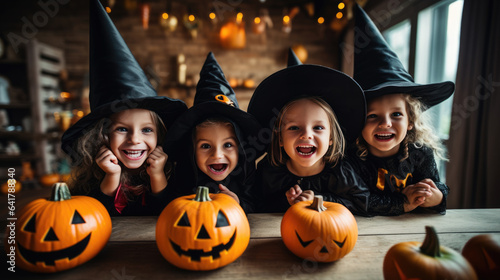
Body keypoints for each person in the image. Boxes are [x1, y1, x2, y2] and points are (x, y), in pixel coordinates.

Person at [60, 0, 187, 216]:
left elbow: (171, 216)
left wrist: (157, 175)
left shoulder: (172, 170)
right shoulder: (91, 176)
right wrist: (111, 176)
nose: (135, 140)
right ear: (102, 134)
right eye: (122, 129)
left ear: (160, 135)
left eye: (147, 130)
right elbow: (91, 219)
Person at [347, 4, 455, 215]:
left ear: (411, 119)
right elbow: (359, 201)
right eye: (372, 116)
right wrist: (403, 202)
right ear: (359, 120)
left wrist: (435, 196)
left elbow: (438, 186)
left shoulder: (420, 153)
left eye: (396, 114)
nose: (385, 123)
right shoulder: (353, 157)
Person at [247, 49, 370, 215]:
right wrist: (286, 201)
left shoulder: (340, 171)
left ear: (331, 137)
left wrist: (320, 200)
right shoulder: (269, 170)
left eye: (318, 127)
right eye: (294, 127)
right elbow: (257, 204)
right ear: (280, 138)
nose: (306, 135)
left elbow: (362, 202)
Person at [164, 52, 263, 213]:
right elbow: (171, 206)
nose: (217, 155)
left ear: (240, 147)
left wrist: (238, 204)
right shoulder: (184, 171)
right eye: (205, 146)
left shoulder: (247, 171)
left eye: (228, 145)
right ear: (192, 149)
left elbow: (259, 206)